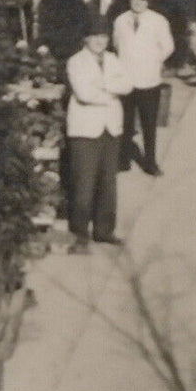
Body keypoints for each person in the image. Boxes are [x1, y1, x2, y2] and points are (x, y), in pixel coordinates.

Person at [64, 17, 132, 252]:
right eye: (94, 37)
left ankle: (104, 231)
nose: (99, 41)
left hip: (111, 127)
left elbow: (127, 85)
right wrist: (110, 92)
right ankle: (80, 234)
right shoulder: (76, 62)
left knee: (108, 182)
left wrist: (103, 87)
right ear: (85, 38)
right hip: (85, 130)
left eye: (103, 37)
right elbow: (83, 93)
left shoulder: (113, 60)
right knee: (84, 182)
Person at [112, 0, 175, 177]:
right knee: (125, 123)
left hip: (149, 81)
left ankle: (150, 162)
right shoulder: (120, 21)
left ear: (148, 1)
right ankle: (123, 161)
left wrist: (152, 60)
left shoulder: (159, 21)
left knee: (149, 125)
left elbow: (168, 47)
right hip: (127, 82)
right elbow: (116, 45)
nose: (138, 2)